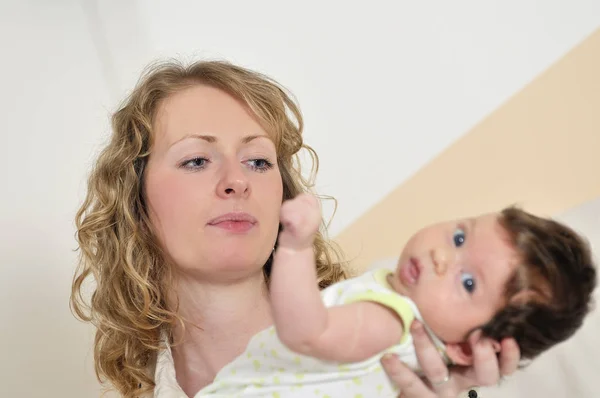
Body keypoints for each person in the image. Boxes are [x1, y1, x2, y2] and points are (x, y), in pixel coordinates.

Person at [70, 59, 522, 398]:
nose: (236, 181)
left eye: (258, 161)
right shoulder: (144, 389)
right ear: (135, 200)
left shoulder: (388, 340)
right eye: (196, 160)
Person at [188, 193, 595, 397]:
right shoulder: (394, 302)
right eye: (458, 237)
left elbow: (307, 332)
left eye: (468, 282)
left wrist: (296, 248)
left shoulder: (391, 321)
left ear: (469, 350)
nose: (440, 256)